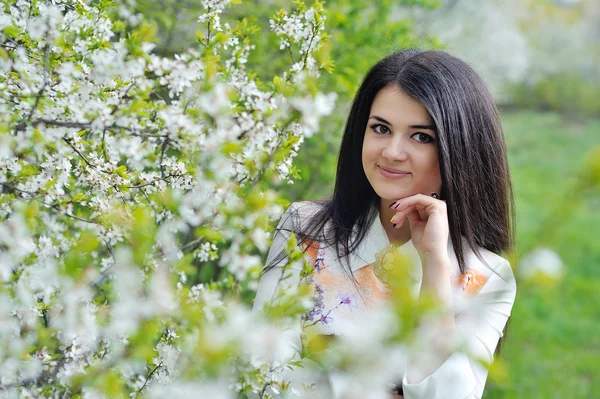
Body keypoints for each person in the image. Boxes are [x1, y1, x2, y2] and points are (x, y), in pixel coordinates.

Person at [252, 49, 517, 399]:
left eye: (421, 136)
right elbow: (260, 373)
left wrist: (435, 265)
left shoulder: (486, 278)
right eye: (381, 128)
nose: (392, 152)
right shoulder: (306, 231)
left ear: (461, 150)